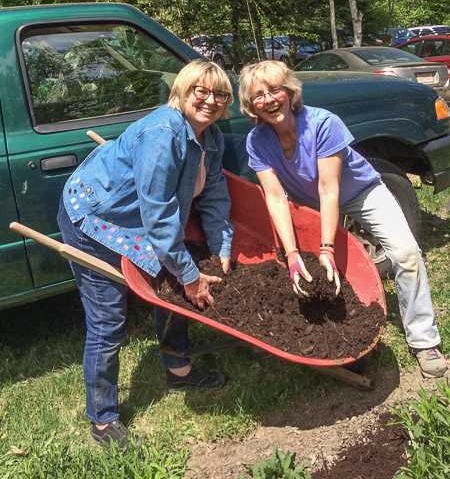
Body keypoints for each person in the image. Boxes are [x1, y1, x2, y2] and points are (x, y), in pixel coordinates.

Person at [58, 60, 235, 448]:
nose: (210, 100)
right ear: (182, 92)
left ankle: (179, 369)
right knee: (108, 317)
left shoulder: (212, 138)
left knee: (172, 285)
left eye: (219, 94)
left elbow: (216, 193)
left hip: (140, 219)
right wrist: (189, 275)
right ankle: (102, 418)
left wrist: (222, 246)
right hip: (94, 215)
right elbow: (158, 213)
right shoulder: (162, 134)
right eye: (200, 91)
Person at [238, 59, 447, 379]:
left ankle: (424, 340)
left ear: (290, 91)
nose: (268, 100)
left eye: (275, 90)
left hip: (361, 192)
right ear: (251, 105)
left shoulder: (323, 123)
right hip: (307, 202)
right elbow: (276, 198)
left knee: (406, 254)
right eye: (258, 96)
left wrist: (327, 247)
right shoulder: (257, 141)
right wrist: (293, 256)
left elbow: (328, 189)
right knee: (288, 261)